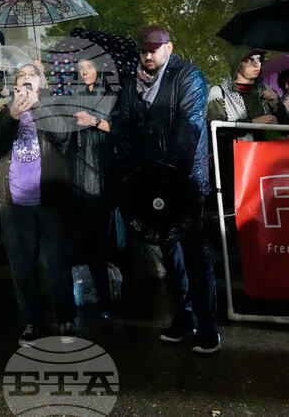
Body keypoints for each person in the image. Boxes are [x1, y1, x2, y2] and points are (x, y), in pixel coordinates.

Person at [111, 25, 220, 354]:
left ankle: (208, 325)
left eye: (154, 49)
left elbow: (189, 127)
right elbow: (125, 126)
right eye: (143, 50)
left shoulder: (188, 77)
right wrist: (132, 175)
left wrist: (169, 176)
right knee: (168, 251)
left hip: (184, 180)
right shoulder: (133, 84)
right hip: (150, 181)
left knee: (194, 252)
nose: (148, 55)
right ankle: (184, 316)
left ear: (168, 48)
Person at [0, 62, 77, 347]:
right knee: (21, 267)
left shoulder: (53, 105)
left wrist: (36, 104)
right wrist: (12, 116)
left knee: (56, 263)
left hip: (50, 199)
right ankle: (32, 321)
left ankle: (65, 318)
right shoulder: (5, 110)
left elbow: (63, 136)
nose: (25, 79)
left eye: (31, 76)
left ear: (40, 83)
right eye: (21, 76)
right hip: (14, 201)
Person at [68, 56, 117, 316]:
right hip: (77, 173)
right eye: (81, 68)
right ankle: (87, 296)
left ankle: (108, 299)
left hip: (102, 172)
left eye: (89, 67)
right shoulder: (75, 94)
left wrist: (94, 121)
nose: (85, 71)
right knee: (83, 238)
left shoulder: (111, 94)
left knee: (101, 239)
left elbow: (118, 127)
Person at [206, 49, 289, 141]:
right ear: (237, 63)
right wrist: (252, 123)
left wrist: (277, 106)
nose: (257, 64)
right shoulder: (219, 92)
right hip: (236, 153)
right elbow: (215, 131)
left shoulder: (268, 90)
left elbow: (287, 130)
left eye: (258, 59)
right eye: (250, 59)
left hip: (269, 152)